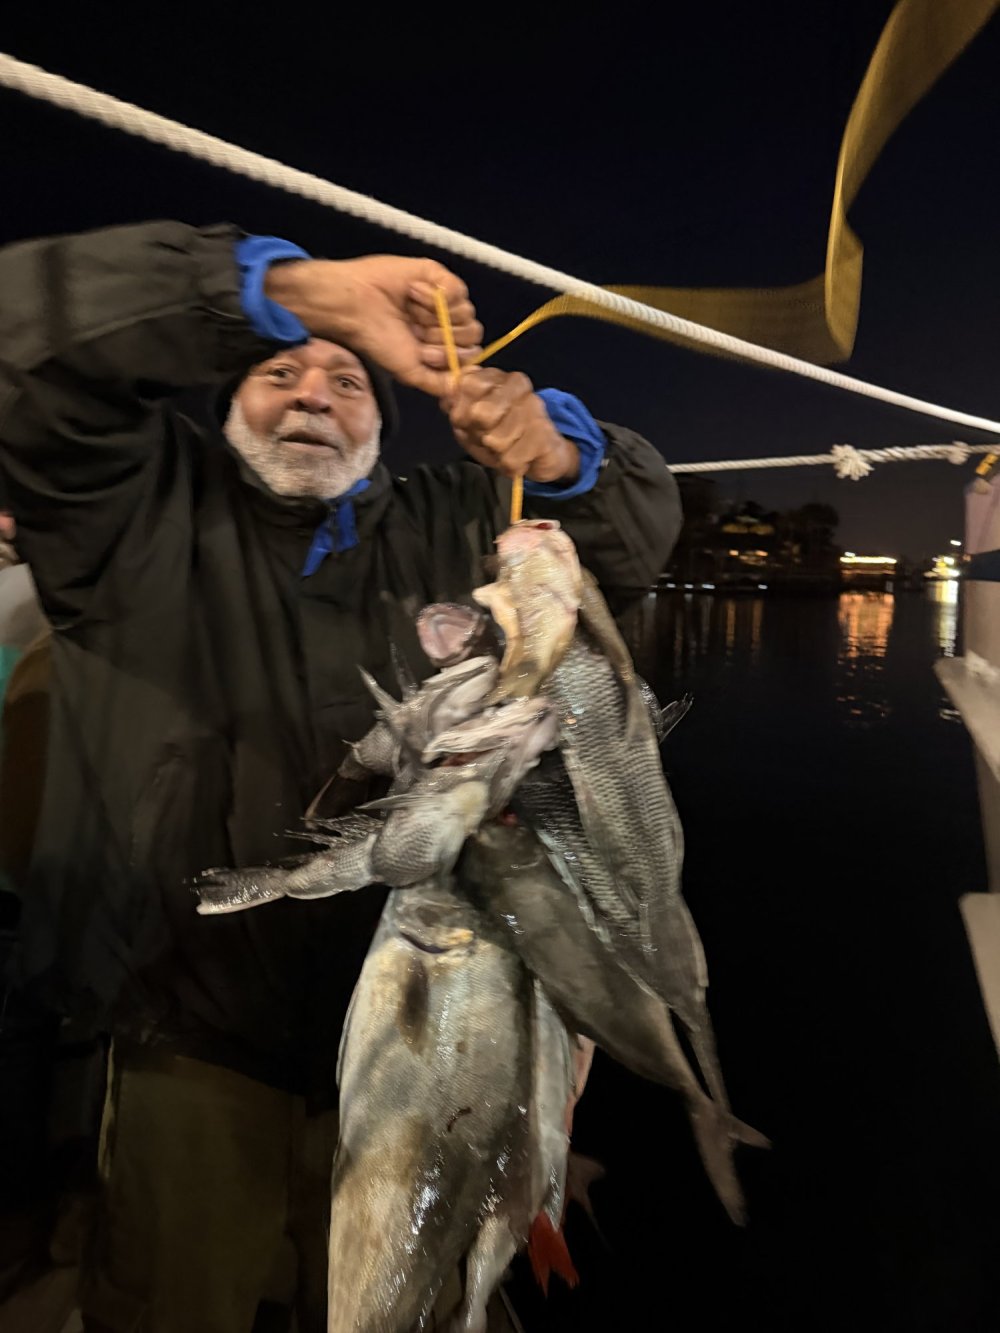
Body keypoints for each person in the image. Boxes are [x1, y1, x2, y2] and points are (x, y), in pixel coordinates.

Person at [0, 221, 681, 1333]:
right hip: (193, 1026)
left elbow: (626, 543)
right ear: (223, 405)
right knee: (175, 1297)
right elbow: (24, 345)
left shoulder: (445, 521)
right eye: (280, 370)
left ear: (383, 424)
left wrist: (559, 454)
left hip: (436, 1036)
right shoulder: (134, 518)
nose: (314, 391)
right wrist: (286, 290)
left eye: (347, 380)